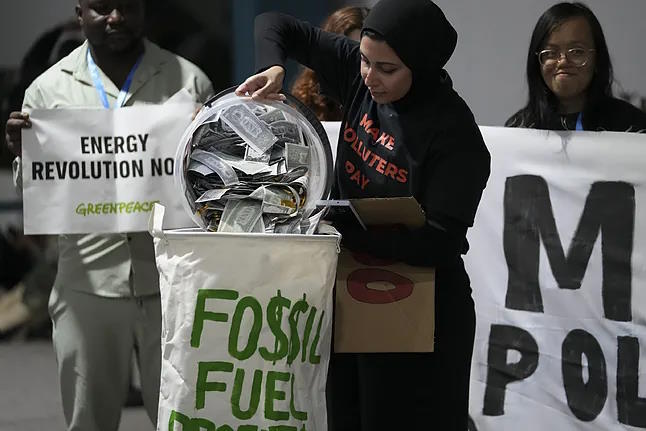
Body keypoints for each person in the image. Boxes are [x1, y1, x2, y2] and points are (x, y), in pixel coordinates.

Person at [236, 0, 490, 429]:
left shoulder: (456, 135)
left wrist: (340, 228)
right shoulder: (360, 75)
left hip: (424, 312)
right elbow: (274, 23)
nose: (369, 77)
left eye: (387, 69)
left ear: (422, 66)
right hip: (355, 294)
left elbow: (441, 241)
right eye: (365, 61)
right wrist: (274, 68)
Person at [4, 0, 213, 429]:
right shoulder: (47, 91)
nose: (115, 17)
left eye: (127, 6)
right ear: (79, 13)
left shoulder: (189, 82)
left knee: (182, 419)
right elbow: (37, 187)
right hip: (87, 283)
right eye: (101, 7)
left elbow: (213, 182)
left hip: (172, 282)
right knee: (89, 419)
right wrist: (22, 152)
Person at [506, 2, 646, 132]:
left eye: (576, 52)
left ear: (597, 59)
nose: (562, 62)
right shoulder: (519, 127)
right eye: (550, 53)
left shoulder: (631, 125)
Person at [290, 6, 369, 121]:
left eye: (365, 57)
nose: (359, 65)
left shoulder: (385, 94)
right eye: (348, 53)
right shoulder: (308, 98)